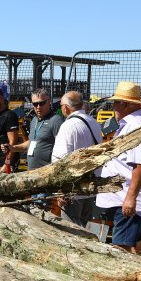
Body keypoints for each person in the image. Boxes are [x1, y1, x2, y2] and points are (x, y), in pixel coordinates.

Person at [95, 82, 141, 253]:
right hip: (132, 198)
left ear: (125, 104)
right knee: (135, 244)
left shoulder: (136, 125)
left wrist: (130, 198)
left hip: (129, 199)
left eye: (115, 103)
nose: (114, 107)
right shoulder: (139, 122)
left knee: (121, 248)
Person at [51, 91, 103, 227]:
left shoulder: (67, 126)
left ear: (66, 107)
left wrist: (60, 191)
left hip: (73, 191)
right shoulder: (94, 122)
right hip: (90, 188)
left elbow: (60, 161)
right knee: (85, 229)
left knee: (71, 232)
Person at [2, 89, 62, 170]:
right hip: (31, 172)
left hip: (47, 173)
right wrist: (12, 148)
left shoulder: (56, 120)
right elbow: (31, 143)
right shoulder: (34, 120)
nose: (38, 107)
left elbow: (62, 148)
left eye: (41, 103)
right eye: (35, 104)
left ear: (49, 102)